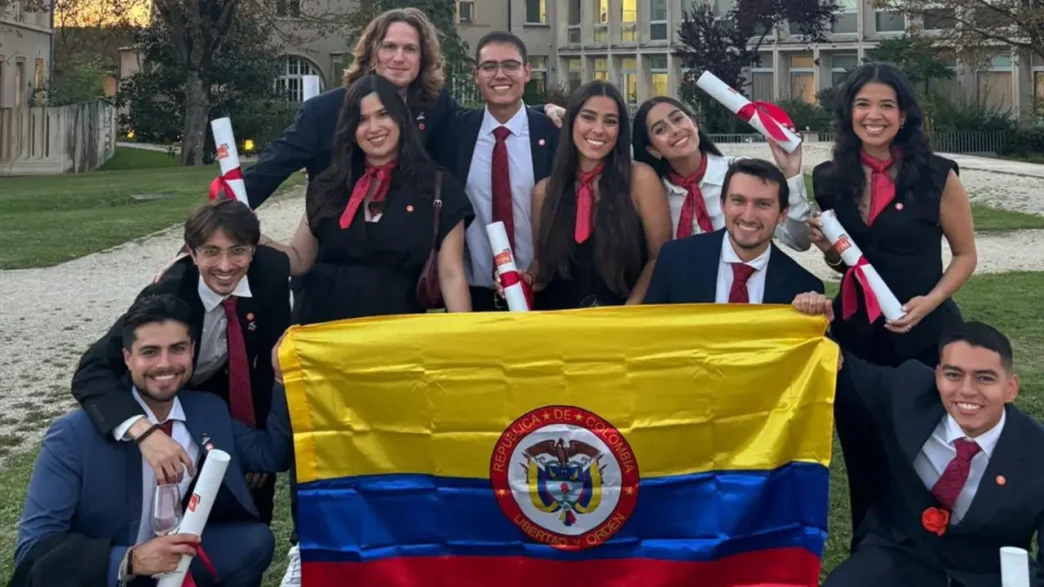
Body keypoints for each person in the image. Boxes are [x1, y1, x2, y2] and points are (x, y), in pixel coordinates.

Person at [809, 62, 978, 539]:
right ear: (849, 113)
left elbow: (965, 256)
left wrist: (930, 300)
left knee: (924, 458)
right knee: (863, 456)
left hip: (924, 339)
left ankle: (928, 550)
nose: (874, 115)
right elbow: (847, 266)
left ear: (904, 115)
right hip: (855, 343)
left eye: (887, 105)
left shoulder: (938, 176)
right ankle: (870, 549)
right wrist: (831, 256)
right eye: (864, 104)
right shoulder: (828, 178)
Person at [13, 295, 274, 587]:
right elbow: (31, 550)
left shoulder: (206, 409)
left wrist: (283, 376)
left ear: (193, 351)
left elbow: (270, 453)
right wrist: (130, 560)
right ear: (127, 358)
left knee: (253, 541)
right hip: (105, 571)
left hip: (173, 561)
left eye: (177, 349)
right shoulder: (72, 435)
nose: (165, 364)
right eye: (149, 352)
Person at [794, 295, 1044, 587]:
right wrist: (812, 323)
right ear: (938, 376)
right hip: (898, 553)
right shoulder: (908, 391)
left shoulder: (1037, 453)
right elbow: (842, 368)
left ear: (1011, 388)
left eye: (985, 378)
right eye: (953, 374)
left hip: (985, 575)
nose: (966, 390)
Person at [71, 198, 291, 525]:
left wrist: (254, 439)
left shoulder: (271, 270)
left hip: (220, 392)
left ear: (253, 249)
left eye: (238, 250)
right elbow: (91, 370)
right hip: (159, 398)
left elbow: (264, 360)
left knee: (250, 504)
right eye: (211, 251)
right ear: (191, 251)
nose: (226, 265)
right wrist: (145, 432)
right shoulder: (167, 294)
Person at [240, 7, 564, 209]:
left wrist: (539, 110)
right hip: (332, 266)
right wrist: (221, 223)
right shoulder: (322, 112)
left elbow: (478, 119)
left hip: (404, 271)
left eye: (410, 49)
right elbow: (268, 171)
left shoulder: (434, 107)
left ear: (423, 58)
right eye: (390, 47)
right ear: (371, 53)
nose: (399, 57)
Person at [259, 73, 474, 324]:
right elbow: (299, 259)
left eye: (383, 114)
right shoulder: (329, 185)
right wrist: (256, 239)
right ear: (350, 130)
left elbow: (451, 275)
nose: (374, 128)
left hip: (396, 335)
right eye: (362, 120)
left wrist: (465, 341)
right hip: (321, 331)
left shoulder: (437, 186)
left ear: (401, 119)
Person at [429, 31, 559, 312]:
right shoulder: (454, 134)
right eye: (489, 67)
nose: (500, 74)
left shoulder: (554, 135)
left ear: (527, 72)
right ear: (476, 74)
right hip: (473, 295)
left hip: (545, 293)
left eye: (510, 65)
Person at [527, 80, 671, 309]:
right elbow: (542, 265)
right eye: (588, 117)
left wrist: (629, 311)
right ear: (572, 121)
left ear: (620, 130)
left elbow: (659, 258)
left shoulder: (640, 180)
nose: (598, 129)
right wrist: (525, 279)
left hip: (621, 323)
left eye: (610, 121)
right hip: (556, 324)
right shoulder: (544, 191)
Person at [632, 96, 812, 251]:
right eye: (660, 130)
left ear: (694, 123)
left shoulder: (742, 175)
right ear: (652, 149)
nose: (675, 130)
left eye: (678, 119)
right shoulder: (654, 196)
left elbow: (798, 241)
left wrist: (791, 173)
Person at [644, 158, 823, 304]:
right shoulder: (674, 260)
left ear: (783, 214)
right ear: (723, 204)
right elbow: (652, 333)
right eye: (738, 201)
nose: (748, 215)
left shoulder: (803, 287)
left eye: (763, 204)